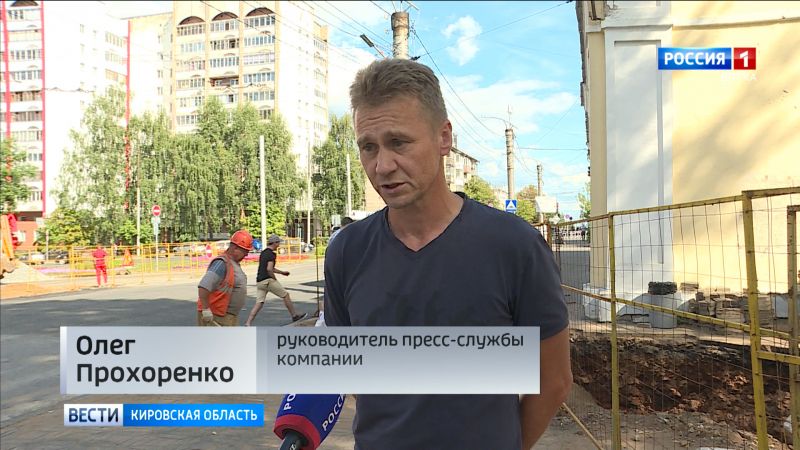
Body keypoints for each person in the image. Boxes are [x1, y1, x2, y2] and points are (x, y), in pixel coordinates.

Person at [323, 58, 572, 450]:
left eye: (399, 142)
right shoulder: (346, 251)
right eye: (368, 147)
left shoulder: (514, 246)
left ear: (444, 138)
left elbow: (553, 380)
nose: (382, 166)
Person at [245, 234, 307, 326]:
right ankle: (294, 316)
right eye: (278, 243)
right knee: (285, 295)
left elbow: (268, 267)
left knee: (259, 303)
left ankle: (248, 322)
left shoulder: (264, 252)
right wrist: (274, 279)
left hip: (260, 281)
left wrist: (282, 272)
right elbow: (269, 269)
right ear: (274, 243)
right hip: (268, 280)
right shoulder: (271, 254)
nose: (279, 245)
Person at [196, 230, 253, 327]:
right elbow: (204, 286)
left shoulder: (232, 263)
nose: (246, 254)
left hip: (226, 317)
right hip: (215, 316)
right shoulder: (221, 263)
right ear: (235, 248)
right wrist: (205, 309)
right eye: (245, 251)